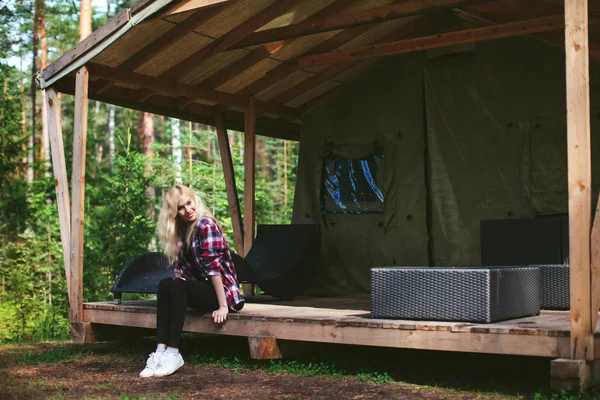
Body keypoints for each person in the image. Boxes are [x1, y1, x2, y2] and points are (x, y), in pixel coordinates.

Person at [140, 184, 245, 378]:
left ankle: (173, 352)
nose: (188, 210)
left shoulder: (206, 225)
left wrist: (223, 307)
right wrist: (174, 293)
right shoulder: (183, 230)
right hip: (202, 289)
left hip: (221, 292)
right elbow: (180, 271)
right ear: (174, 213)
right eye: (181, 207)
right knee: (166, 284)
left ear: (195, 200)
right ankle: (160, 351)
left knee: (175, 285)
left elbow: (214, 270)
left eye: (189, 203)